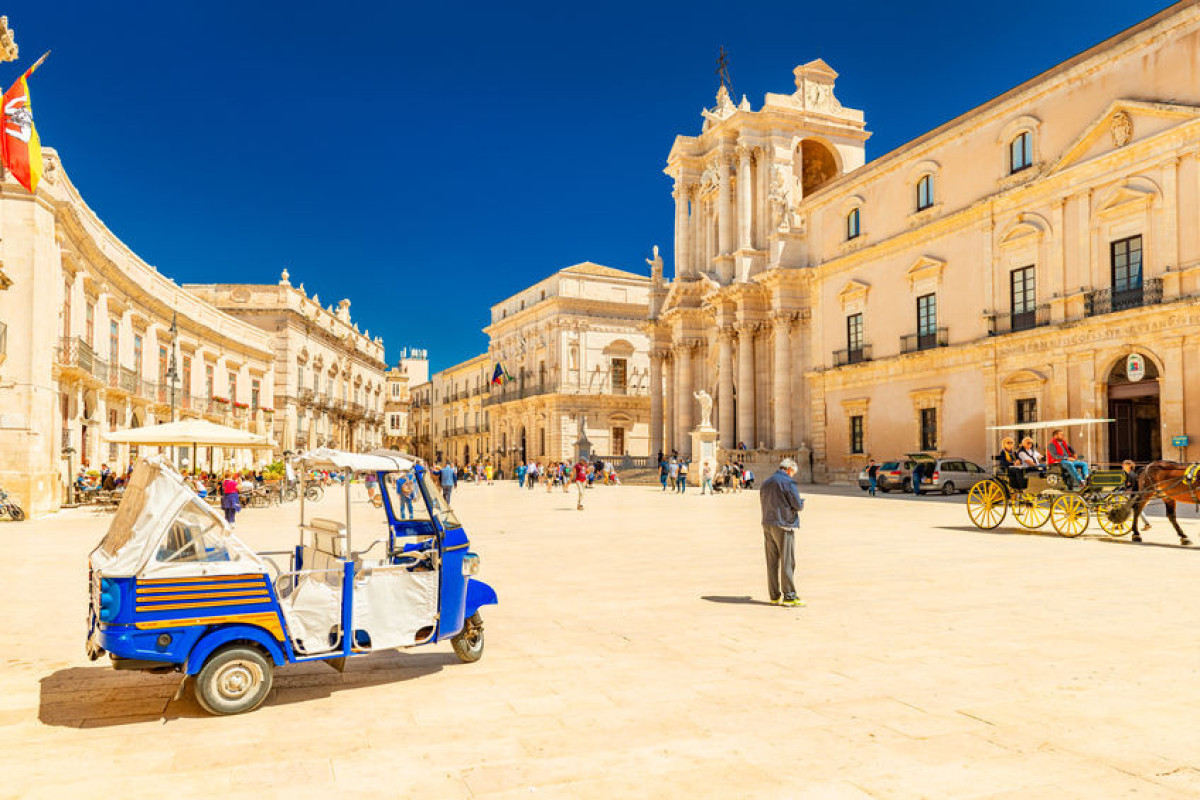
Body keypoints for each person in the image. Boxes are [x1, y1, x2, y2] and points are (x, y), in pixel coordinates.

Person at [760, 458, 805, 607]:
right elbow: (797, 505)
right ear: (789, 470)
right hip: (784, 524)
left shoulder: (766, 482)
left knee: (772, 562)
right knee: (787, 561)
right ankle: (789, 596)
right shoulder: (787, 482)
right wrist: (802, 503)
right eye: (793, 473)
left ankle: (774, 596)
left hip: (767, 524)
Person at [1121, 460, 1151, 529]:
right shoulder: (1129, 473)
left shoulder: (1131, 474)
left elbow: (1133, 485)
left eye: (1124, 464)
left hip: (1134, 494)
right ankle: (1147, 523)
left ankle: (1121, 523)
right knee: (1137, 509)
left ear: (1129, 466)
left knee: (1128, 509)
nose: (1123, 466)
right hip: (1134, 494)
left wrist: (1126, 491)